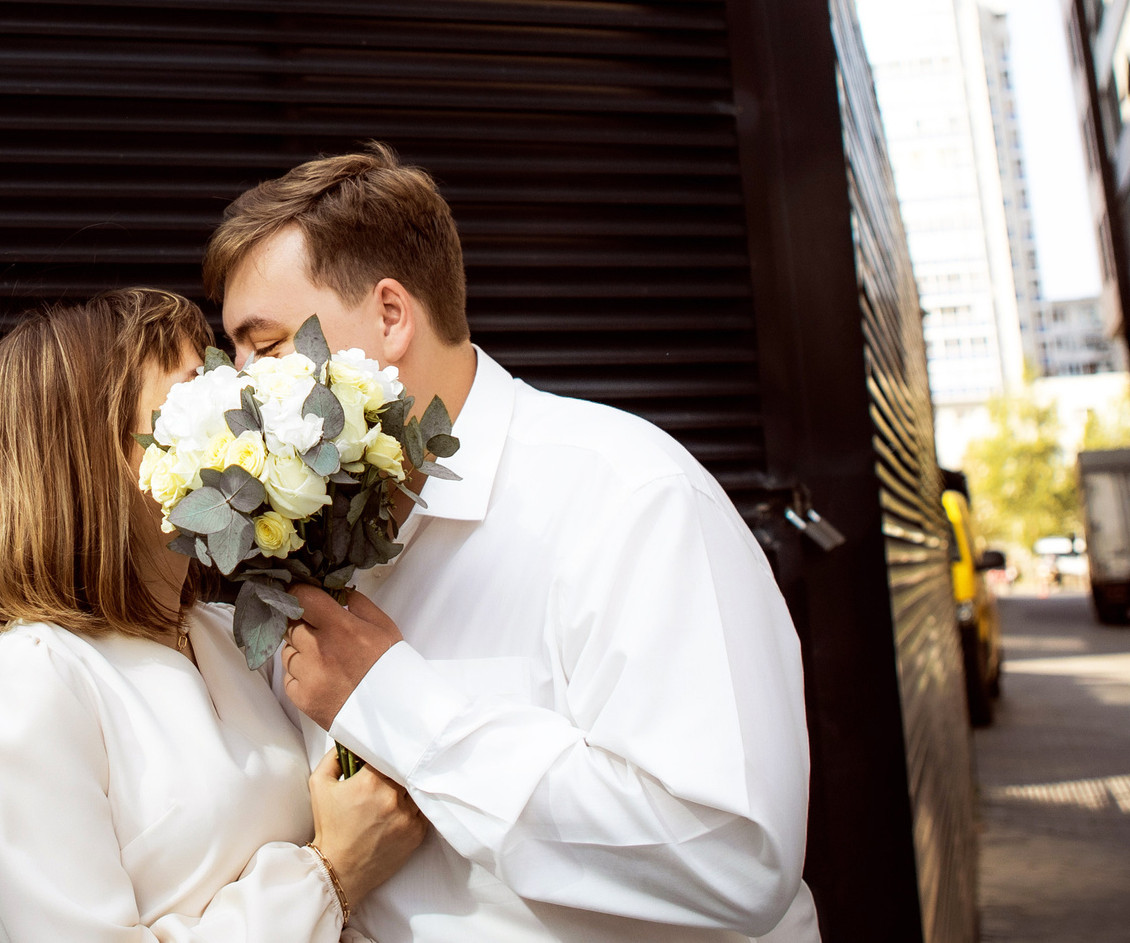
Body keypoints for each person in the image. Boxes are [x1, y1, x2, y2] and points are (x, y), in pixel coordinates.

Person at [209, 145, 818, 943]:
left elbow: (737, 858)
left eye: (270, 345)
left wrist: (396, 701)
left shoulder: (629, 495)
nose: (236, 388)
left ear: (391, 316)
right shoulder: (305, 543)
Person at [0, 288, 427, 941]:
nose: (242, 411)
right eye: (197, 388)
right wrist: (328, 874)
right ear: (96, 447)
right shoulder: (26, 680)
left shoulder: (230, 634)